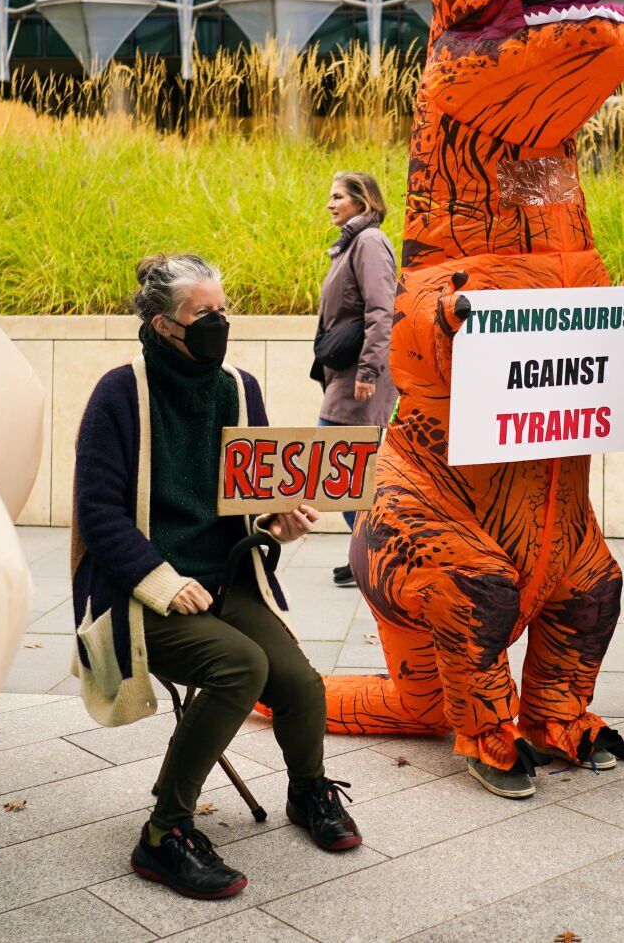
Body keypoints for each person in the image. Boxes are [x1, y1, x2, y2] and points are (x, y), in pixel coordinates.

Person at [72, 254, 362, 901]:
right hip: (142, 596)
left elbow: (251, 494)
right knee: (241, 667)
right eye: (203, 314)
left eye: (222, 309)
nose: (219, 323)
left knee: (301, 682)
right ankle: (162, 834)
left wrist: (276, 522)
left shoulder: (238, 385)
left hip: (226, 581)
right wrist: (161, 577)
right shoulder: (119, 393)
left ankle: (306, 790)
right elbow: (97, 511)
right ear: (161, 322)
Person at [313, 172, 397, 587]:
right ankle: (367, 553)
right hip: (347, 377)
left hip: (362, 379)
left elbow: (382, 310)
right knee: (348, 471)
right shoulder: (350, 245)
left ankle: (380, 557)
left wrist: (368, 370)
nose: (330, 204)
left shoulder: (368, 243)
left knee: (340, 466)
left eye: (338, 197)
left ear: (362, 202)